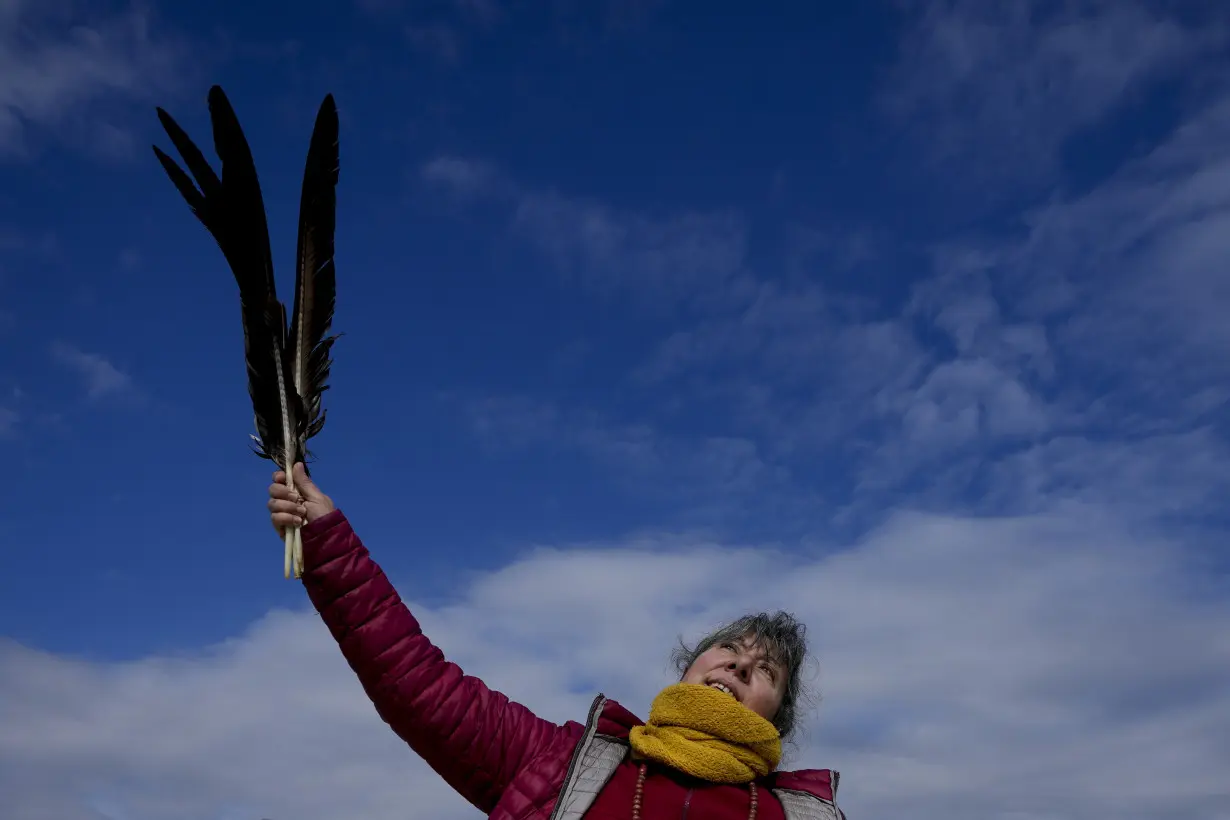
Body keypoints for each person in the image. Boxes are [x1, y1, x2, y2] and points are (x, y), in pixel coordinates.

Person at [268, 463, 845, 820]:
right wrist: (328, 542)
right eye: (730, 649)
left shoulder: (802, 817)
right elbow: (418, 683)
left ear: (779, 718)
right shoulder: (559, 764)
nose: (741, 665)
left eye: (766, 670)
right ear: (690, 666)